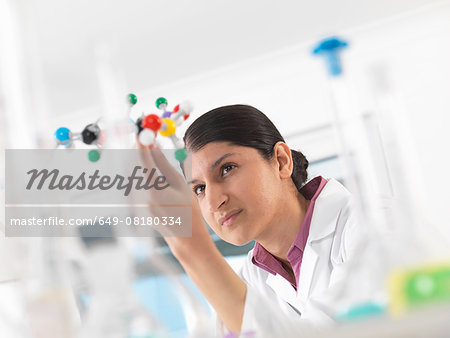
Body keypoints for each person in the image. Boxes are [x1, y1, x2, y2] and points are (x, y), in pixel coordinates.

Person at [139, 104, 364, 336]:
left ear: (281, 161)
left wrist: (193, 249)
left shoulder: (368, 226)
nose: (214, 201)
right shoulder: (249, 280)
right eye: (199, 188)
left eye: (227, 169)